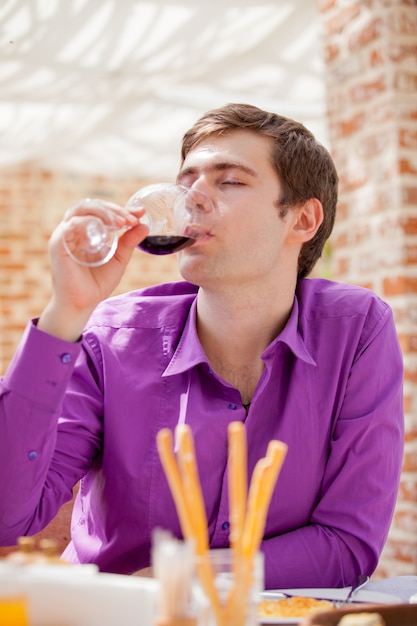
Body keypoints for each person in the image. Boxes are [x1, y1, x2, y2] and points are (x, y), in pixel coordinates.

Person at [0, 103, 404, 589]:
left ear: (302, 220)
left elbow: (347, 545)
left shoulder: (355, 330)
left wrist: (180, 579)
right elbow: (7, 516)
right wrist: (66, 311)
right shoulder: (112, 335)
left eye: (230, 180)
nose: (192, 198)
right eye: (186, 180)